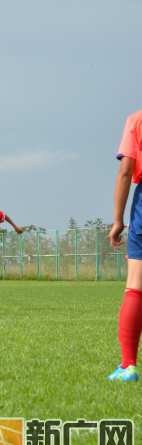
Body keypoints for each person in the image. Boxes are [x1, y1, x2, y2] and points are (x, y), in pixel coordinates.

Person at [109, 109, 142, 381]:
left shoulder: (137, 119)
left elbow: (125, 171)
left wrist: (118, 220)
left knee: (136, 285)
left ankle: (128, 366)